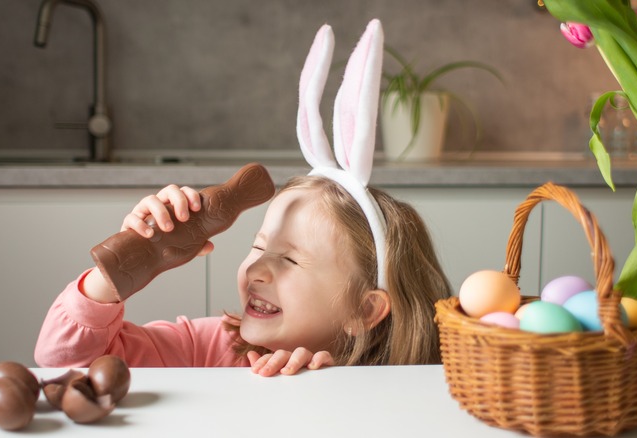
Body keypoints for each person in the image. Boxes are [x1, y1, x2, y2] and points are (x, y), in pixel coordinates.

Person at [34, 19, 452, 376]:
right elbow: (61, 365)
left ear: (363, 310)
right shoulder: (208, 346)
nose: (257, 269)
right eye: (258, 246)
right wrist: (120, 269)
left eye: (289, 259)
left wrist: (329, 393)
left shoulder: (394, 384)